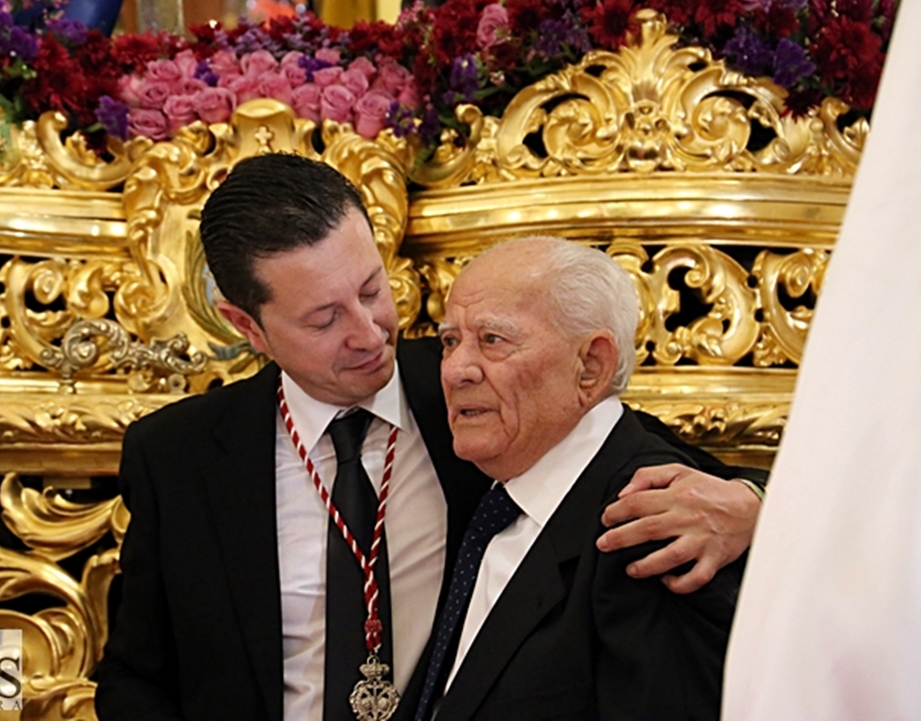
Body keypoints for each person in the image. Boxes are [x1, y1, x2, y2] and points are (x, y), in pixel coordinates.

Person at [94, 154, 764, 721]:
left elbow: (630, 451)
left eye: (371, 288)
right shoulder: (176, 455)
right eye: (324, 318)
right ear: (249, 327)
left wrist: (756, 507)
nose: (368, 332)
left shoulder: (485, 400)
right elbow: (136, 675)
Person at [417, 237, 743, 721]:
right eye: (450, 341)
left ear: (590, 366)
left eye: (492, 340)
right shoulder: (490, 493)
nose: (456, 370)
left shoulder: (657, 522)